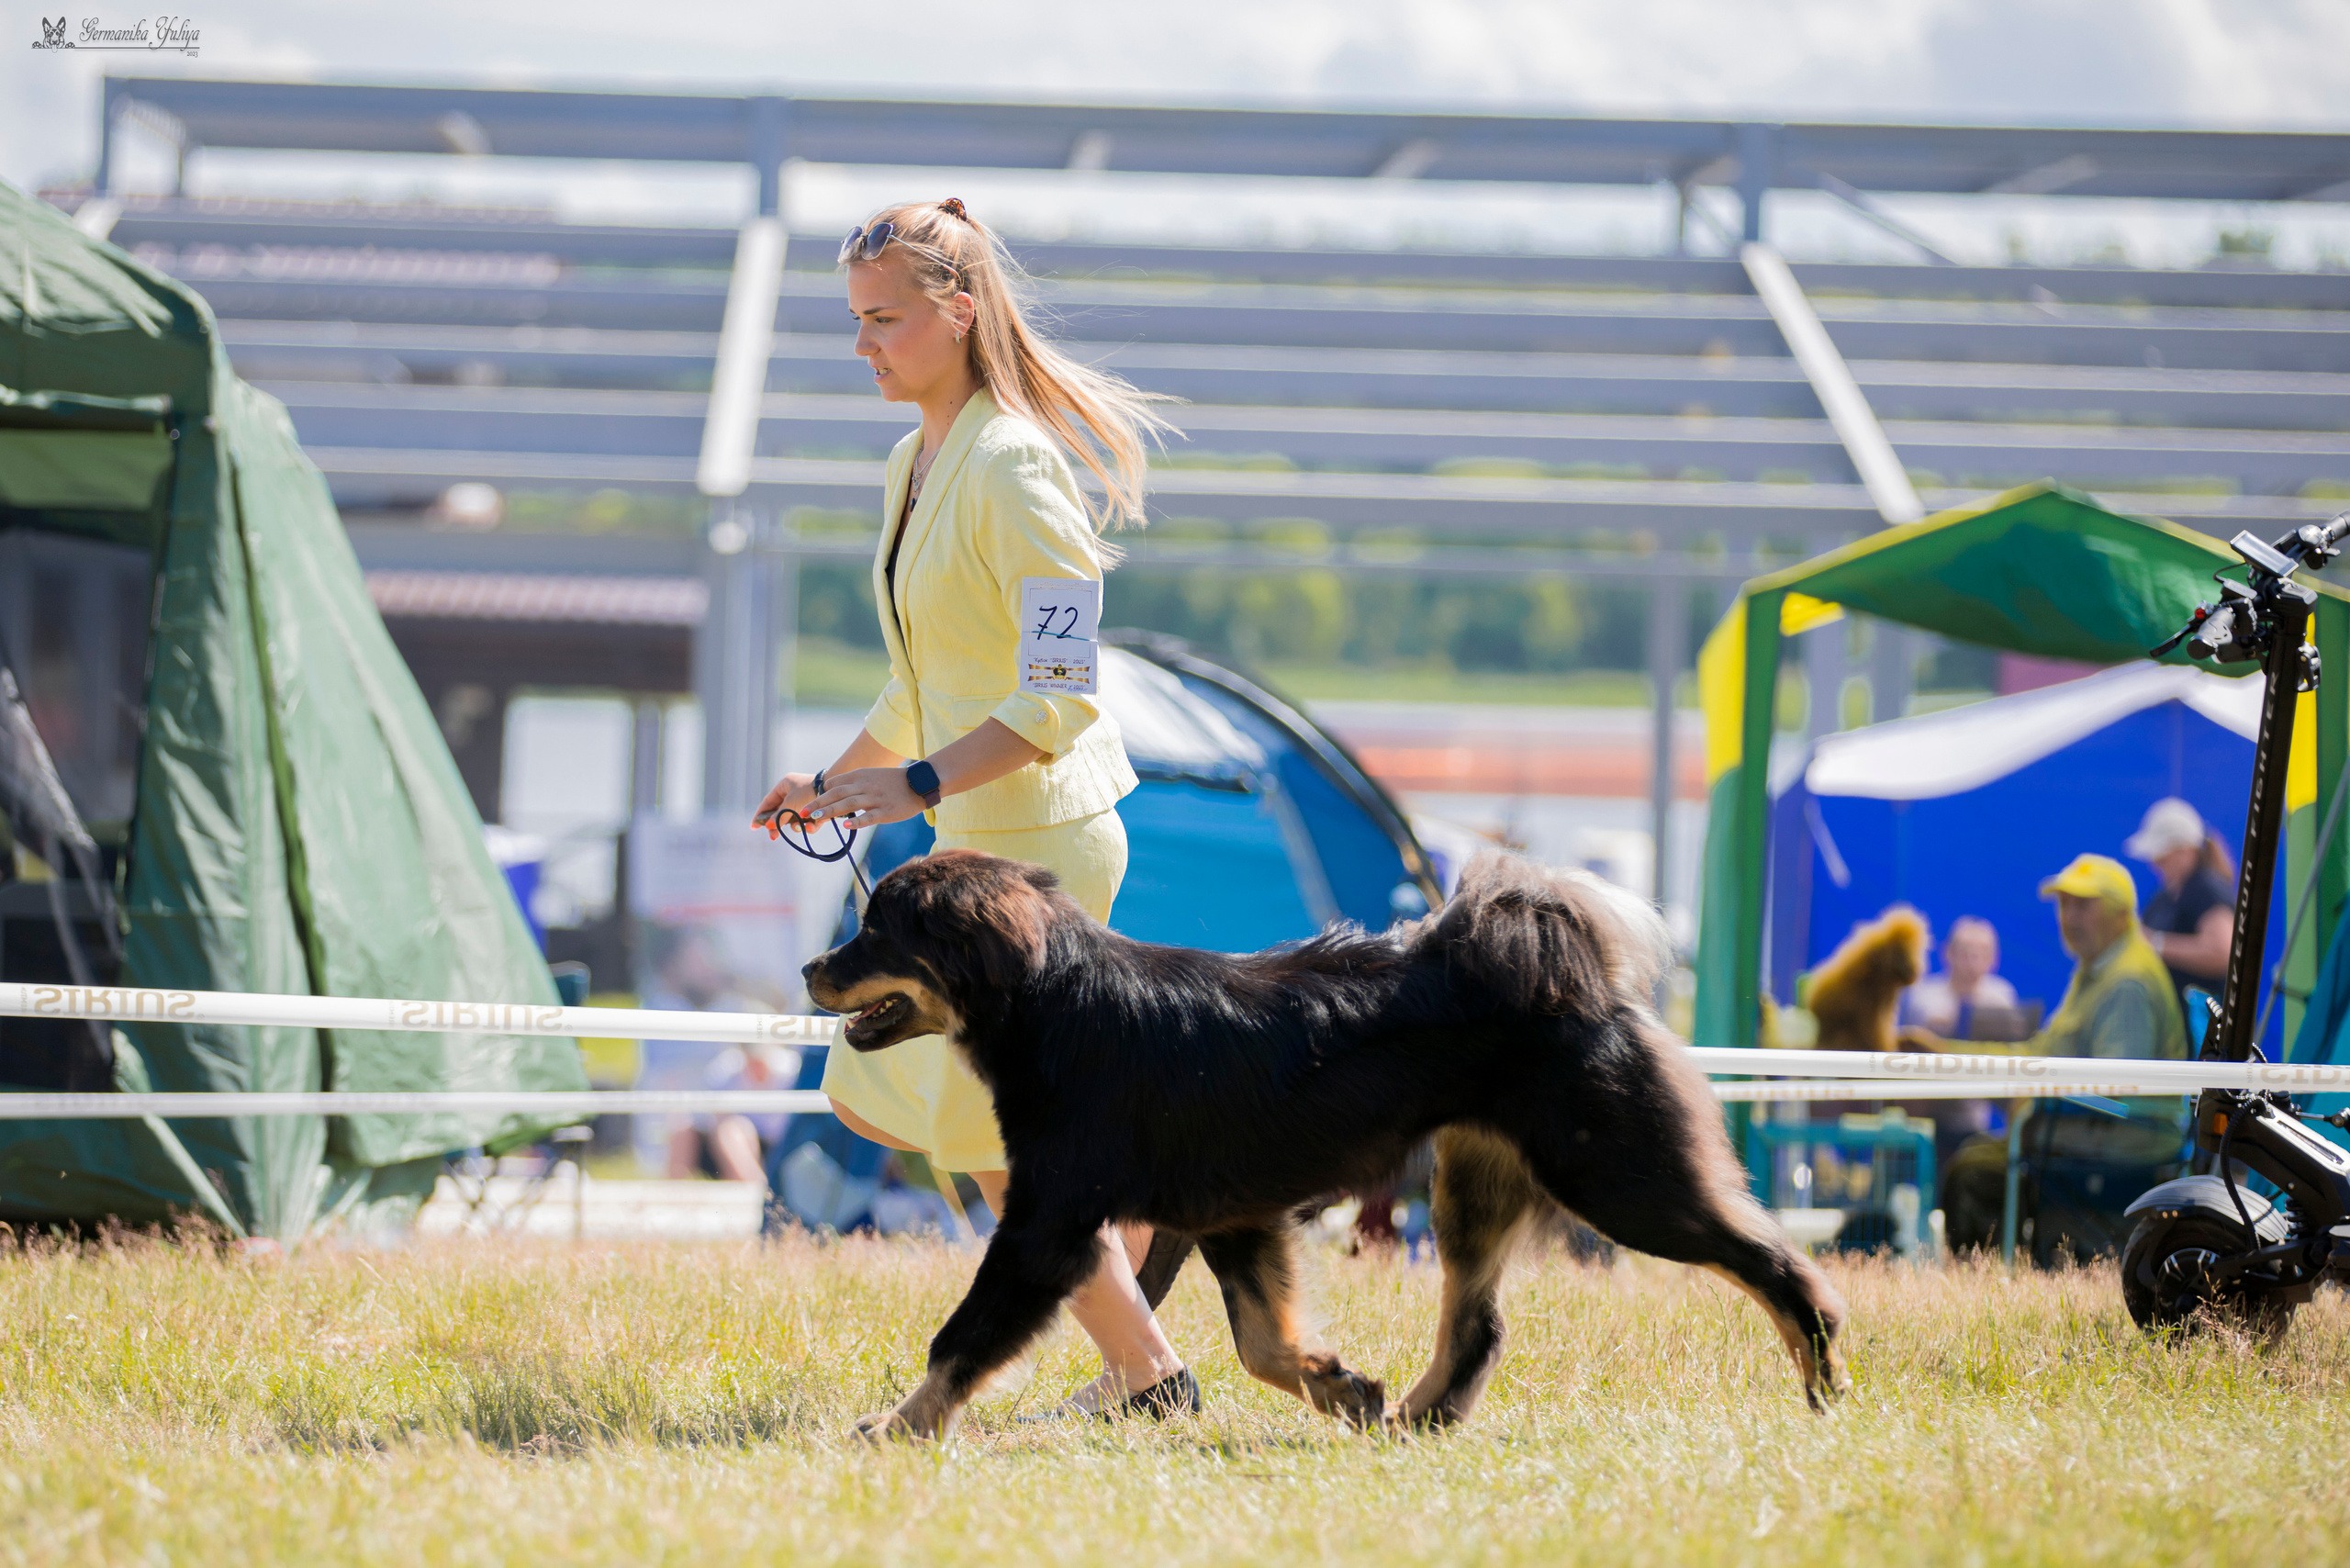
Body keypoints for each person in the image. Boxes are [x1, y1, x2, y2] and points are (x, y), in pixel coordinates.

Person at [753, 197, 1193, 1419]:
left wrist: (920, 783)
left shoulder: (1016, 467)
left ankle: (1149, 1377)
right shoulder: (914, 462)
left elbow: (1058, 696)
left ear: (957, 313)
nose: (863, 349)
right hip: (974, 845)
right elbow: (919, 680)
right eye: (855, 322)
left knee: (998, 1143)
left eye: (883, 321)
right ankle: (1148, 1347)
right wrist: (838, 780)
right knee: (1007, 1137)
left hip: (1042, 838)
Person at [1926, 854, 2189, 1254]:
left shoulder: (2127, 982)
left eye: (2083, 905)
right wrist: (1945, 1054)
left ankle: (1982, 1289)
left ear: (2120, 914)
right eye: (2064, 905)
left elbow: (2113, 1093)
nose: (2069, 917)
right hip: (2099, 1133)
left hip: (2124, 1147)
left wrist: (2034, 1101)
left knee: (1972, 1173)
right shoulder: (2098, 969)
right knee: (1973, 1160)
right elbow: (2039, 1054)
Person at [2125, 796, 2236, 1026]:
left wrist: (2155, 943)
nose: (2154, 862)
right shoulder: (2163, 897)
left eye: (2162, 855)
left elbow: (2222, 953)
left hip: (2204, 1036)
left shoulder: (2206, 888)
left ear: (2186, 850)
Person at [670, 1042, 798, 1183]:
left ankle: (755, 1190)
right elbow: (710, 1121)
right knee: (686, 1133)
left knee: (732, 1131)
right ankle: (671, 1195)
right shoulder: (725, 1069)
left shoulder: (791, 1070)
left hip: (778, 1148)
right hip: (729, 1148)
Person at [1902, 916, 2020, 1039]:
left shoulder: (2002, 997)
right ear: (1948, 952)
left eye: (1983, 955)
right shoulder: (1923, 996)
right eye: (1965, 954)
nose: (1974, 964)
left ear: (1994, 958)